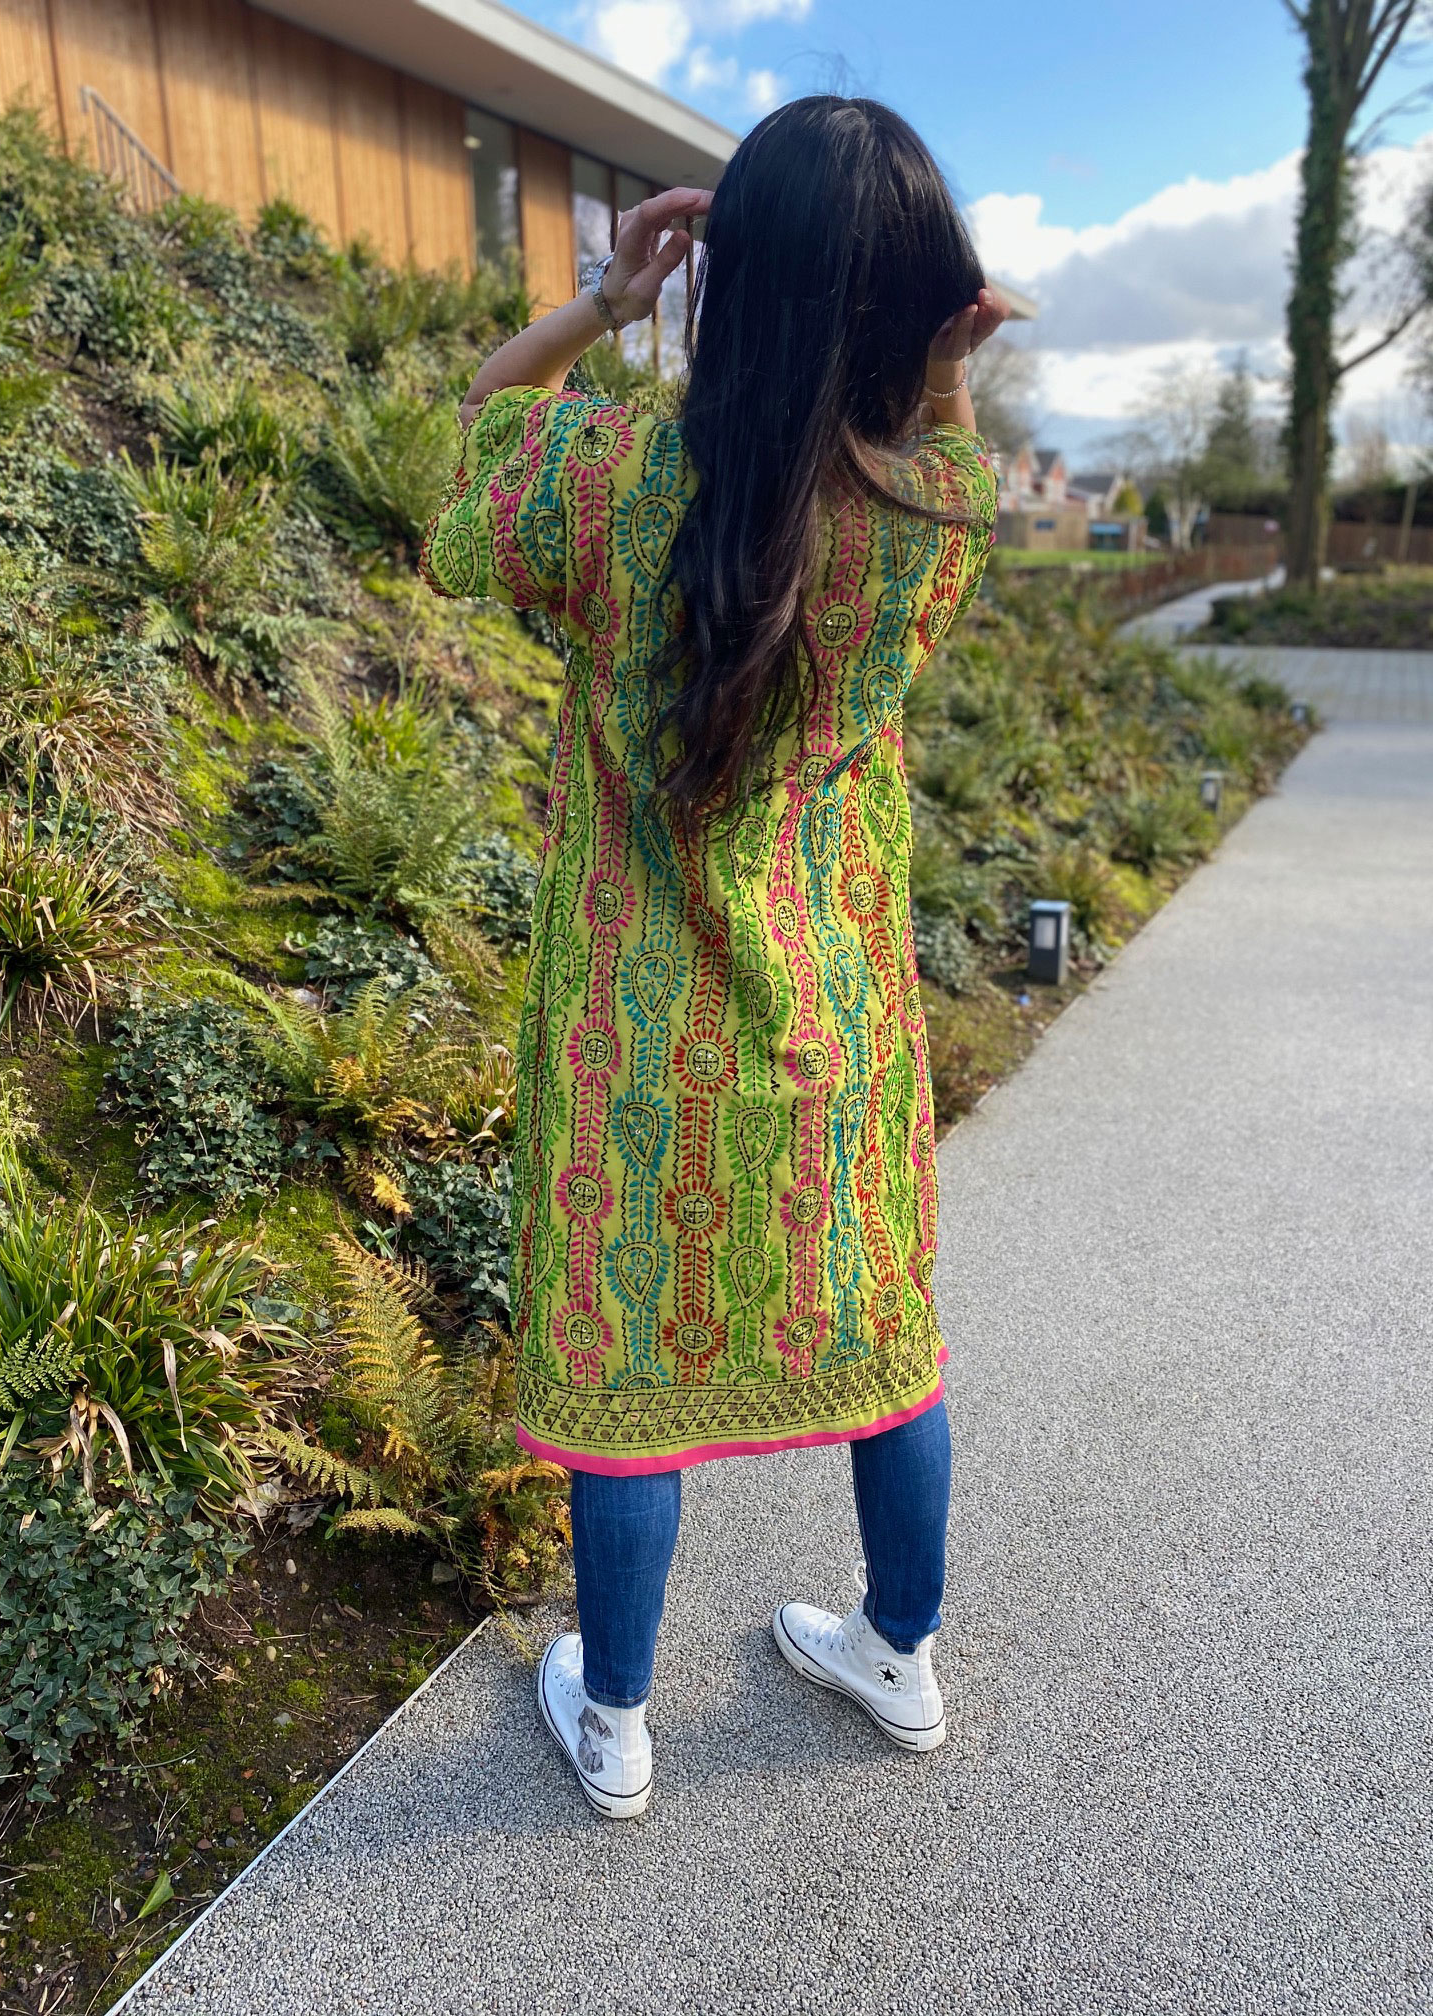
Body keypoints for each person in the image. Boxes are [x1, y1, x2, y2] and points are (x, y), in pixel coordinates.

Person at [422, 95, 1004, 1820]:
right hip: (834, 1010)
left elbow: (478, 431)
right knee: (884, 1331)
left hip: (631, 1015)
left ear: (728, 279)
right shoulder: (933, 520)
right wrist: (944, 368)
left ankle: (614, 1722)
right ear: (921, 307)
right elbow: (944, 452)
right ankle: (898, 1654)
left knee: (624, 1363)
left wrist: (610, 301)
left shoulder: (609, 480)